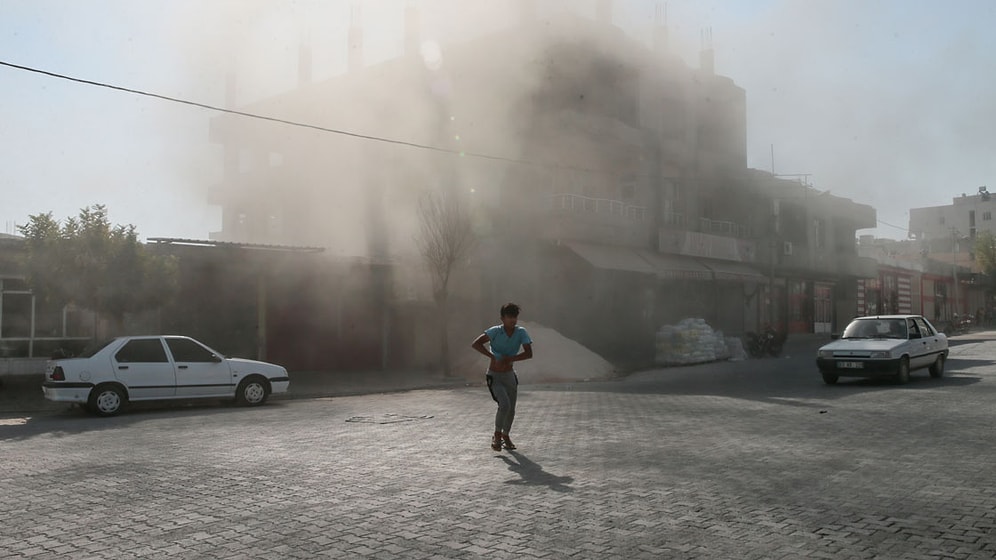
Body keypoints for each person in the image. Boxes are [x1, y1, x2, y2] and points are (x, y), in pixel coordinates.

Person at [471, 302, 533, 452]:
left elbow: (528, 353)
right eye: (509, 317)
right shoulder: (495, 331)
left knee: (511, 409)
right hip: (495, 376)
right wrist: (492, 356)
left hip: (510, 375)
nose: (513, 320)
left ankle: (506, 436)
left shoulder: (521, 332)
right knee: (504, 404)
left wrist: (510, 359)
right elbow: (476, 344)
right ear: (502, 318)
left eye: (515, 317)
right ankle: (497, 435)